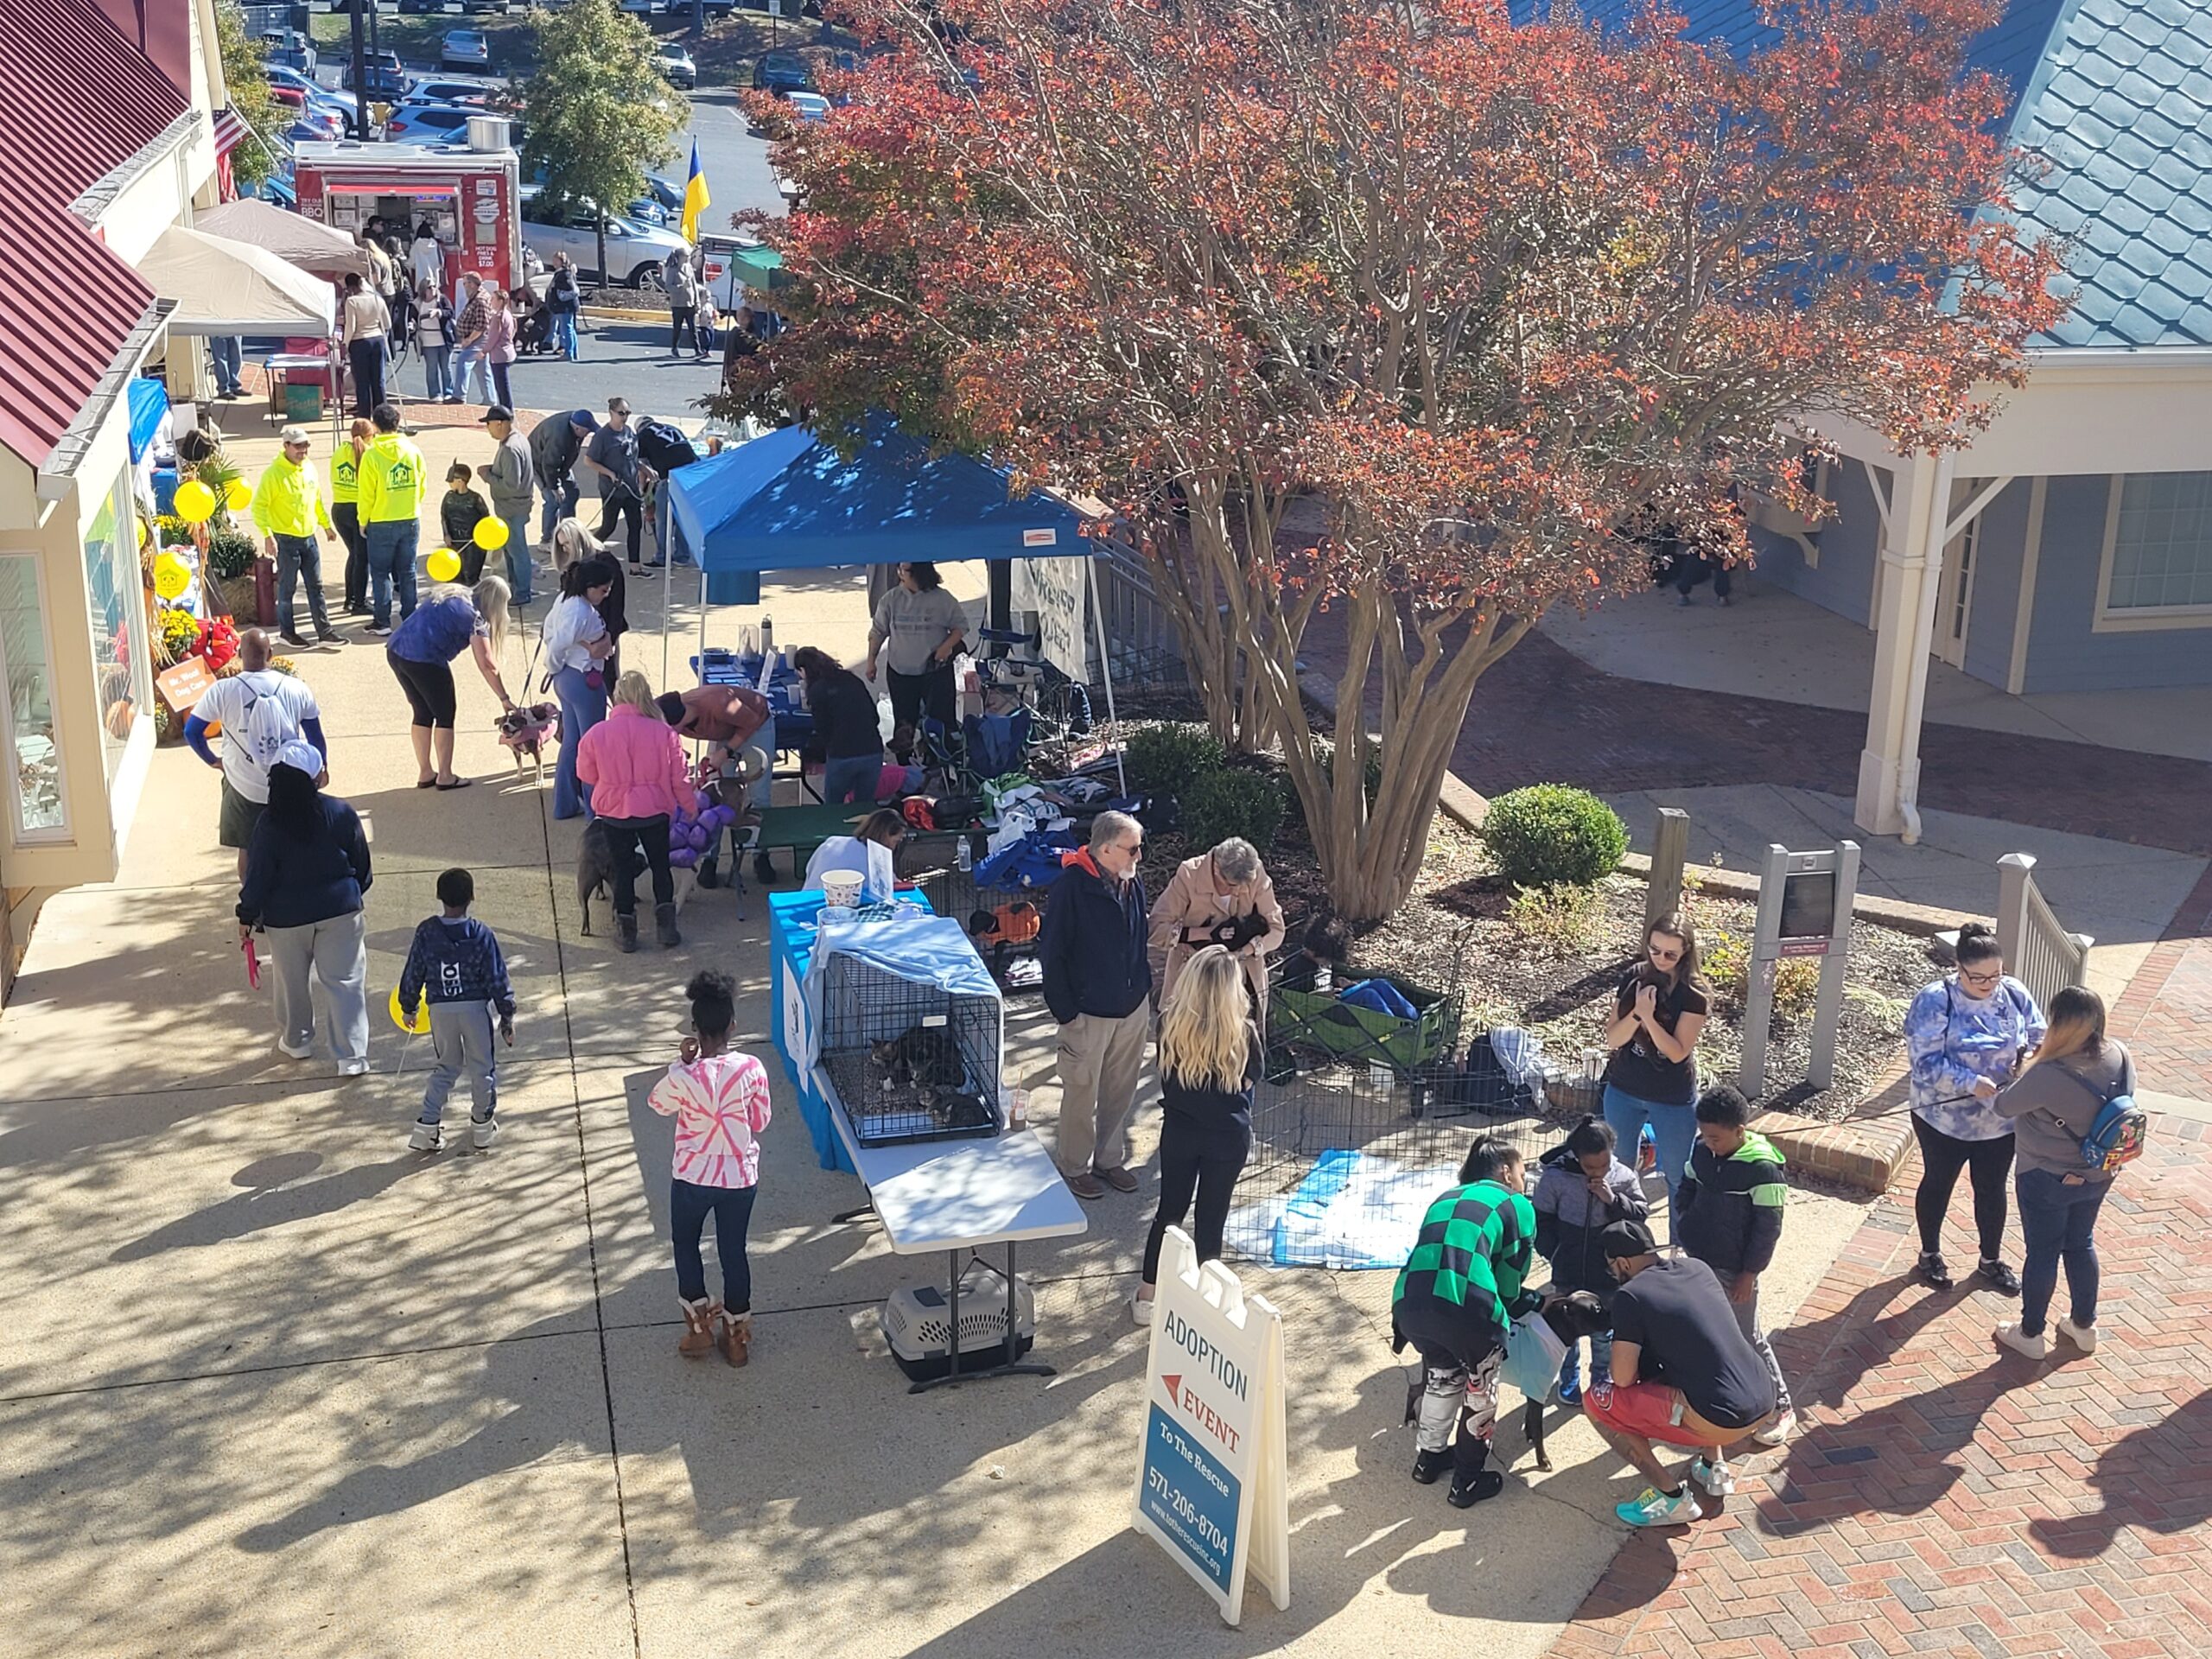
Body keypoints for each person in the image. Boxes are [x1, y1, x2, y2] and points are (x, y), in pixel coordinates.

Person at [1584, 1218, 1777, 1529]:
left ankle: (1671, 1498)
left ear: (1621, 1263)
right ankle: (1713, 1467)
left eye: (1612, 1268)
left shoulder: (1631, 1296)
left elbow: (1622, 1378)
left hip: (1721, 1420)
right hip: (1764, 1399)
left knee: (1597, 1401)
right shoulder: (1696, 1268)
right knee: (1694, 1362)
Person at [1391, 1135, 1539, 1509]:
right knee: (1480, 1388)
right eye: (1522, 1172)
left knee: (1441, 1378)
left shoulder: (1447, 1197)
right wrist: (1529, 1304)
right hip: (1467, 1307)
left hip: (1410, 1302)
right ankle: (1467, 1481)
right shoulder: (1516, 1204)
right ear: (1506, 1172)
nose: (1524, 1180)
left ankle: (1428, 1459)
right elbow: (1509, 1283)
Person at [1993, 985, 2133, 1359]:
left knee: (2042, 1251)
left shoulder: (2048, 1074)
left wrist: (2018, 1074)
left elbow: (2004, 1106)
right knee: (2081, 1243)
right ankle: (2083, 1326)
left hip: (2045, 1176)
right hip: (2099, 1173)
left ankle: (2031, 1334)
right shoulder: (2119, 1054)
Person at [1904, 920, 2044, 1293]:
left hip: (2000, 1118)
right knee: (1939, 1182)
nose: (1988, 985)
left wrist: (2027, 1058)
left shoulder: (2012, 992)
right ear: (1959, 969)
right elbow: (1924, 1062)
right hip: (1943, 1118)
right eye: (1978, 978)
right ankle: (1929, 1253)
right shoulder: (1935, 999)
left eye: (1995, 975)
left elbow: (2038, 1034)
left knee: (1992, 1187)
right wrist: (1970, 1082)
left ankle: (1990, 1260)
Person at [649, 969, 772, 1366]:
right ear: (733, 1026)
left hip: (692, 1178)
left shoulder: (685, 1075)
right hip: (739, 1178)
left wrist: (680, 1065)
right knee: (733, 1250)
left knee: (686, 1244)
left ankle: (697, 1326)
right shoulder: (752, 1068)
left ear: (694, 1030)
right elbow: (760, 1121)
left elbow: (658, 1104)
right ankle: (736, 1339)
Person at [1134, 946, 1260, 1323]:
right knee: (1212, 1218)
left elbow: (1166, 1074)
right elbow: (1252, 1078)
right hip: (1227, 1136)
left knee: (1169, 1214)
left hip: (1181, 1134)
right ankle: (1207, 1304)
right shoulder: (1244, 1032)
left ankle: (1146, 1297)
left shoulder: (1170, 1023)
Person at [236, 741, 372, 1077]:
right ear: (315, 779)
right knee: (346, 981)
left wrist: (247, 915)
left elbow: (258, 875)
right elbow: (362, 866)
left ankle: (297, 1040)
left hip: (286, 919)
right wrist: (353, 893)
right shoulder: (340, 812)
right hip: (340, 909)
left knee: (291, 982)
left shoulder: (268, 824)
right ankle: (351, 1056)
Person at [1039, 810, 1151, 1200]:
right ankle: (1074, 1166)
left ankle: (1109, 1159)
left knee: (1120, 1090)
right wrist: (1067, 1014)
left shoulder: (1130, 882)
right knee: (1081, 1092)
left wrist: (1142, 993)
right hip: (1087, 1013)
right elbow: (1052, 955)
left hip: (1131, 1007)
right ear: (1106, 849)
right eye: (1133, 849)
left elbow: (1139, 939)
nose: (1139, 856)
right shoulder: (1070, 888)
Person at [1675, 1084, 1796, 1446]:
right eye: (1705, 1136)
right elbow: (1688, 1182)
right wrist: (1685, 1216)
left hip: (1735, 1269)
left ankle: (1782, 1407)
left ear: (1740, 1130)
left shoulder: (1763, 1170)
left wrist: (1749, 1274)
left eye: (1716, 1137)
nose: (1709, 1143)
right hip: (1701, 1256)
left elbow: (1767, 1229)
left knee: (1747, 1337)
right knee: (1706, 1331)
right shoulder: (1702, 1150)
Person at [185, 628, 327, 880]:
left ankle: (252, 902)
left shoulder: (222, 690)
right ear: (270, 654)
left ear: (239, 655)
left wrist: (213, 761)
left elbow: (192, 732)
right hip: (292, 781)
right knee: (293, 840)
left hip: (242, 785)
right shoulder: (296, 688)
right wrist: (322, 768)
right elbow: (315, 736)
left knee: (248, 847)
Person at [1601, 913, 1712, 1219]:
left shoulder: (1694, 995)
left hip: (1672, 1097)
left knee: (1677, 1175)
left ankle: (1681, 1246)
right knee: (1620, 1167)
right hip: (1624, 1088)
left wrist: (1649, 1017)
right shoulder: (1634, 977)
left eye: (1670, 954)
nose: (1661, 959)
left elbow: (1677, 1052)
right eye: (1654, 950)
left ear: (1685, 952)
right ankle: (1625, 1237)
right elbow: (1613, 1037)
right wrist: (1637, 1014)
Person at [398, 867, 516, 1153]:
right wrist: (507, 1016)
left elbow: (414, 970)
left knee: (446, 1066)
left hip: (440, 1010)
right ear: (471, 897)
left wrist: (409, 1006)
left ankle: (427, 1126)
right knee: (482, 1068)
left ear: (439, 896)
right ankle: (482, 1127)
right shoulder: (481, 934)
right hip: (475, 1008)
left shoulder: (426, 931)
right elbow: (497, 977)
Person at [1532, 1116, 1648, 1403]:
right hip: (1566, 1269)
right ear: (1575, 1155)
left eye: (1604, 1166)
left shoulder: (1622, 1176)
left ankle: (1601, 1380)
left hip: (1606, 1273)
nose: (1597, 1172)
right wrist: (1554, 1251)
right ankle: (1568, 1380)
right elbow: (1540, 1220)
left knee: (1603, 1332)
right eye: (1589, 1167)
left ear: (1613, 1152)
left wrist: (1613, 1201)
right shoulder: (1556, 1178)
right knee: (1566, 1331)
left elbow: (1640, 1213)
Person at [576, 670, 691, 951]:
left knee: (622, 869)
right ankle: (666, 928)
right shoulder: (665, 733)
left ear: (617, 698)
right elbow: (680, 777)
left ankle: (627, 932)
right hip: (655, 810)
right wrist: (690, 807)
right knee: (661, 867)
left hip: (615, 814)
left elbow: (585, 774)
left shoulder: (596, 734)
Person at [385, 575, 516, 789]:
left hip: (396, 650)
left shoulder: (453, 593)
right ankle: (445, 775)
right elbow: (487, 664)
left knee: (422, 711)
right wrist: (504, 697)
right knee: (445, 715)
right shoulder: (476, 619)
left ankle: (426, 772)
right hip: (426, 659)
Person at [1149, 836, 1287, 1016]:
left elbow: (1277, 930)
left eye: (1244, 886)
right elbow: (1155, 929)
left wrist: (1242, 952)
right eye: (1232, 885)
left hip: (1240, 982)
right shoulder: (1189, 874)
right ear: (1216, 869)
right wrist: (1205, 933)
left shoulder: (1256, 873)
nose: (1237, 891)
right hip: (1194, 976)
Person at [658, 683, 772, 885]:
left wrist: (725, 752)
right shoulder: (675, 718)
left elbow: (751, 722)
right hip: (723, 732)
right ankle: (711, 858)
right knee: (711, 798)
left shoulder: (717, 703)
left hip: (756, 724)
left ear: (677, 722)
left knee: (759, 795)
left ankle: (760, 854)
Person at [249, 425, 344, 649]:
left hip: (309, 538)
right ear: (286, 446)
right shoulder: (273, 474)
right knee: (287, 589)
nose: (303, 450)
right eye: (298, 446)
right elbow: (259, 506)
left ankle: (325, 632)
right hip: (286, 540)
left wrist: (326, 526)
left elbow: (316, 499)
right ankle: (287, 633)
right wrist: (267, 535)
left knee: (316, 586)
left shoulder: (309, 468)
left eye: (306, 445)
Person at [543, 554, 615, 820]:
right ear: (589, 587)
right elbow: (557, 643)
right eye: (603, 590)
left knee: (572, 742)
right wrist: (554, 664)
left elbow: (549, 633)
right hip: (584, 681)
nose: (605, 595)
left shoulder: (564, 599)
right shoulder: (581, 612)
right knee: (592, 747)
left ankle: (565, 804)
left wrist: (556, 669)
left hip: (565, 679)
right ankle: (595, 810)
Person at [864, 562, 968, 734]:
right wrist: (870, 662)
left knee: (941, 722)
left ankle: (938, 757)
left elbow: (961, 627)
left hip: (935, 671)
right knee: (904, 724)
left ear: (918, 573)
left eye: (904, 570)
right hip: (900, 671)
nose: (899, 573)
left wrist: (946, 647)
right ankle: (904, 760)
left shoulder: (942, 598)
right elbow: (878, 632)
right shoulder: (890, 599)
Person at [357, 403, 427, 638]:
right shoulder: (413, 451)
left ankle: (382, 620)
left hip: (381, 520)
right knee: (408, 571)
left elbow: (366, 493)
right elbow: (422, 483)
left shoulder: (372, 455)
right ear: (397, 424)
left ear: (375, 425)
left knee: (380, 573)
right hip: (410, 518)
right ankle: (410, 616)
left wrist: (363, 520)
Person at [792, 645, 885, 805]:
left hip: (842, 755)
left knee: (833, 807)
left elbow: (822, 729)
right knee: (864, 807)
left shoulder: (817, 690)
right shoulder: (851, 679)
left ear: (803, 670)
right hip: (873, 751)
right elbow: (874, 716)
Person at [583, 397, 658, 575]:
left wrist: (645, 469)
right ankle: (586, 552)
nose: (625, 417)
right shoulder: (603, 436)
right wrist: (609, 474)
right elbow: (589, 461)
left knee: (635, 525)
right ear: (611, 413)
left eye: (628, 413)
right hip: (612, 490)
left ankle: (635, 567)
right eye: (621, 413)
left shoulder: (630, 433)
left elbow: (633, 458)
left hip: (630, 488)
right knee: (609, 526)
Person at [479, 405, 536, 604]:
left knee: (517, 551)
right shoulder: (518, 438)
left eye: (489, 424)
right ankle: (517, 587)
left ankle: (523, 592)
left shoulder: (511, 448)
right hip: (517, 505)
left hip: (512, 507)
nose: (488, 428)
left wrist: (488, 475)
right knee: (512, 551)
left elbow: (511, 485)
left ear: (500, 424)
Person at [801, 807, 907, 904]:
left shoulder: (833, 841)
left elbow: (809, 869)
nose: (894, 847)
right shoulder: (875, 859)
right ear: (885, 836)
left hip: (806, 898)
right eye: (896, 842)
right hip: (834, 905)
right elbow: (888, 889)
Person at [532, 409, 596, 549]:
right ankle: (547, 540)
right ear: (577, 428)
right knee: (553, 500)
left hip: (560, 465)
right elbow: (549, 465)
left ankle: (568, 533)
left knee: (572, 493)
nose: (588, 433)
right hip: (539, 464)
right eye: (587, 431)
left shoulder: (576, 422)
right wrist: (555, 487)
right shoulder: (559, 437)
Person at [330, 418, 373, 617]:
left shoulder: (339, 451)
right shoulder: (368, 454)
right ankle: (359, 602)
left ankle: (350, 599)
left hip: (339, 509)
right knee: (362, 558)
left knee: (353, 554)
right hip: (357, 510)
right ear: (368, 436)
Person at [340, 272, 391, 418]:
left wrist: (346, 343)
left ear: (351, 287)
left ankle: (365, 416)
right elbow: (387, 323)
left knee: (362, 381)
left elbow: (351, 326)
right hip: (378, 340)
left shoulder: (352, 302)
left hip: (359, 341)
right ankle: (382, 415)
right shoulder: (377, 299)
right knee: (378, 379)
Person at [442, 462, 492, 584]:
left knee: (470, 574)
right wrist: (446, 534)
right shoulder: (448, 497)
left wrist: (480, 537)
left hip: (471, 544)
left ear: (460, 481)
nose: (449, 484)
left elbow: (485, 519)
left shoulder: (475, 498)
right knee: (454, 573)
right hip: (454, 541)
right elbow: (444, 516)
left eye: (451, 481)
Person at [448, 274, 491, 405]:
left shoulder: (480, 300)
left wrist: (469, 340)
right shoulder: (475, 297)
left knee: (463, 360)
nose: (464, 286)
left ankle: (459, 396)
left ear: (472, 284)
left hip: (478, 339)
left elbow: (482, 324)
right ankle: (490, 399)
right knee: (482, 369)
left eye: (465, 283)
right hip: (477, 338)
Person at [415, 278, 454, 403]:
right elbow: (412, 318)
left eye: (434, 286)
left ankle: (449, 392)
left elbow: (450, 312)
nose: (433, 289)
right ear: (423, 290)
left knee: (446, 368)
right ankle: (434, 393)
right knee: (431, 368)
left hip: (443, 340)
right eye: (429, 287)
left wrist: (439, 312)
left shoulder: (442, 299)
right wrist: (412, 325)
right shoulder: (417, 303)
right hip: (428, 341)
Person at [482, 284, 518, 410]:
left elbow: (493, 337)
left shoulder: (498, 317)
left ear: (500, 301)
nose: (491, 301)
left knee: (502, 387)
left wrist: (484, 351)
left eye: (493, 299)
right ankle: (506, 410)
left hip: (499, 355)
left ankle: (507, 412)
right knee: (503, 385)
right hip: (508, 351)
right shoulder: (508, 314)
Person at [665, 245, 702, 359]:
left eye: (688, 256)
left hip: (689, 303)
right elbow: (668, 287)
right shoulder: (673, 270)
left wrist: (697, 301)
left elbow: (694, 285)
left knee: (693, 328)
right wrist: (680, 287)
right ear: (679, 257)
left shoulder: (689, 268)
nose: (687, 258)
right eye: (685, 256)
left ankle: (698, 349)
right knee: (677, 328)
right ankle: (674, 348)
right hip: (678, 304)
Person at [546, 255, 582, 361]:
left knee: (567, 329)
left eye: (556, 260)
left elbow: (569, 288)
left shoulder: (564, 274)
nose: (554, 263)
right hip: (567, 306)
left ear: (562, 261)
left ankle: (568, 353)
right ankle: (573, 352)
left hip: (564, 306)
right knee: (570, 328)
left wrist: (558, 293)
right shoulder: (565, 273)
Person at [409, 219, 444, 292]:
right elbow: (441, 263)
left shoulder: (416, 245)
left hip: (420, 280)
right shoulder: (435, 245)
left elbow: (411, 263)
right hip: (434, 279)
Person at [208, 334, 245, 400]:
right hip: (217, 329)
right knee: (221, 361)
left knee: (236, 358)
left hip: (234, 327)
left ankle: (235, 386)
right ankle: (223, 390)